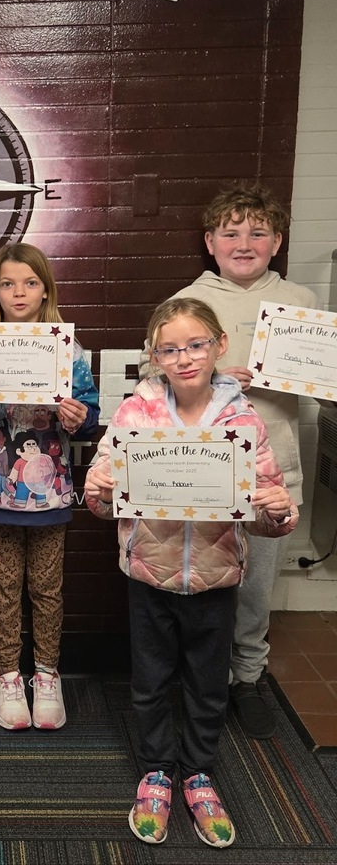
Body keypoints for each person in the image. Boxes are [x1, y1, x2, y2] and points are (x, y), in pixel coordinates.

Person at [85, 297, 296, 848]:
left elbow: (268, 512)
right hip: (149, 574)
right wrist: (100, 492)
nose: (183, 358)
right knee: (150, 680)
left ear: (219, 345)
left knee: (207, 684)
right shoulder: (137, 414)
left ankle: (198, 773)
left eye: (195, 345)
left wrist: (278, 511)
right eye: (169, 349)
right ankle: (156, 770)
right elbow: (101, 490)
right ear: (154, 356)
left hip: (216, 575)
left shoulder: (242, 419)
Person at [149, 184, 318, 740]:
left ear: (277, 241)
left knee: (256, 586)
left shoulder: (303, 303)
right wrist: (216, 376)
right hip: (203, 470)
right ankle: (205, 680)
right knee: (205, 576)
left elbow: (321, 385)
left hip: (276, 467)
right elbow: (151, 384)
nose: (244, 243)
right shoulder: (188, 302)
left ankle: (248, 678)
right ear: (210, 242)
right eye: (231, 233)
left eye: (257, 232)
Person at [0, 243, 100, 730]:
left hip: (52, 495)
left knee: (46, 589)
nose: (19, 292)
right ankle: (7, 676)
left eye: (31, 283)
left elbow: (90, 417)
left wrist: (80, 418)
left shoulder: (68, 350)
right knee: (3, 590)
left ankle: (46, 674)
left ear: (46, 290)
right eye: (8, 283)